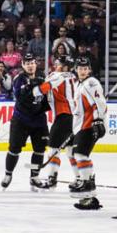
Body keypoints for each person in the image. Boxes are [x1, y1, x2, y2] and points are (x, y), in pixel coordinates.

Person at [0, 53, 48, 191]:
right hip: (21, 120)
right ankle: (8, 174)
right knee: (14, 149)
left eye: (32, 62)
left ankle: (34, 177)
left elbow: (47, 98)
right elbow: (21, 99)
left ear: (36, 64)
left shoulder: (43, 78)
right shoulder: (18, 79)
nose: (30, 65)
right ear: (23, 65)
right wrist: (32, 89)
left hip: (39, 120)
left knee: (39, 150)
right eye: (27, 63)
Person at [31, 56, 78, 190]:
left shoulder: (60, 75)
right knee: (70, 151)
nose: (56, 65)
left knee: (52, 149)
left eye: (59, 63)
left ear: (65, 67)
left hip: (64, 116)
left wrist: (32, 91)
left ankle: (52, 179)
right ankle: (79, 178)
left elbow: (41, 89)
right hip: (72, 117)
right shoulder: (72, 76)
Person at [70, 57, 107, 210]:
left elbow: (100, 103)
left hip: (90, 125)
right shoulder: (80, 85)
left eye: (85, 68)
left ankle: (88, 184)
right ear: (76, 69)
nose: (83, 71)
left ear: (89, 70)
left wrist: (98, 120)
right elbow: (78, 111)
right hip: (82, 126)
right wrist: (73, 130)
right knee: (76, 154)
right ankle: (89, 193)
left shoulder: (91, 83)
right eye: (80, 68)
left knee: (80, 155)